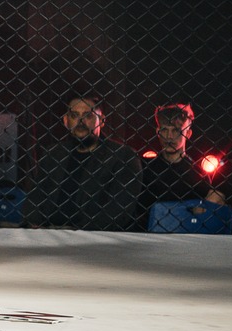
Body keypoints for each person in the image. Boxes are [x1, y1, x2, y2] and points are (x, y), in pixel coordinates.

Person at [22, 96, 143, 231]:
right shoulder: (53, 154)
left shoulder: (122, 157)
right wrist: (35, 224)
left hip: (96, 235)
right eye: (74, 115)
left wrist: (77, 231)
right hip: (49, 232)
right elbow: (35, 197)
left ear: (101, 120)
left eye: (88, 116)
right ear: (66, 121)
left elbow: (119, 210)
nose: (80, 121)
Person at [139, 101, 212, 223]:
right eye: (164, 130)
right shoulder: (144, 168)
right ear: (158, 132)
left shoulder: (199, 176)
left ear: (188, 133)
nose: (169, 136)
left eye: (176, 130)